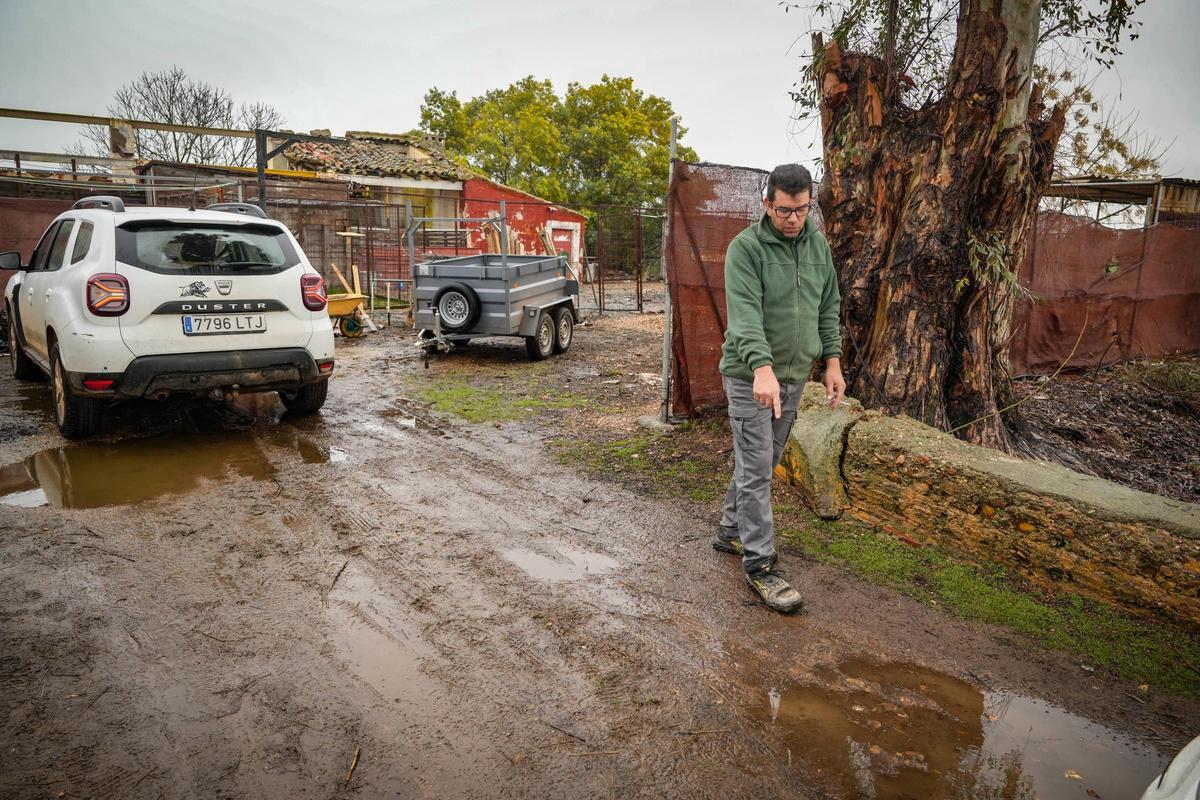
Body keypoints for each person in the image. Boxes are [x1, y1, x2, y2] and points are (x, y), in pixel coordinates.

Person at [713, 163, 845, 613]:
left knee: (763, 462)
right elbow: (745, 316)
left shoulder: (818, 247)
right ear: (767, 204)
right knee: (756, 467)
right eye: (785, 210)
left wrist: (831, 362)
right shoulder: (745, 249)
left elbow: (828, 306)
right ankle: (760, 565)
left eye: (802, 210)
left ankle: (731, 530)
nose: (793, 219)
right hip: (750, 377)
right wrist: (761, 369)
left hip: (793, 374)